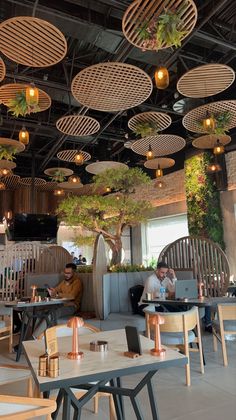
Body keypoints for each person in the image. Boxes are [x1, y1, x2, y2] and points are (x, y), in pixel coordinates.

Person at [32, 263, 83, 338]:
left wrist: (57, 294)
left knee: (53, 313)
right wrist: (52, 292)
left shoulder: (77, 282)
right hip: (60, 305)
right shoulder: (64, 282)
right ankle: (38, 336)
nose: (66, 275)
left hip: (72, 306)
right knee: (42, 312)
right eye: (65, 272)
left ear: (74, 273)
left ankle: (34, 338)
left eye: (68, 273)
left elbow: (72, 296)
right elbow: (56, 291)